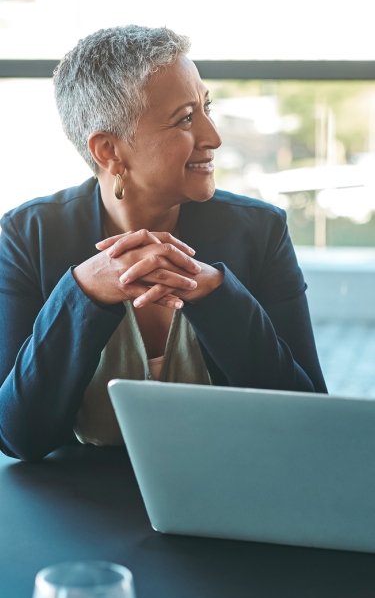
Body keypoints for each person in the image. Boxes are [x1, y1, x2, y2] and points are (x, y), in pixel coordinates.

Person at [0, 25, 327, 462]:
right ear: (109, 151)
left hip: (235, 490)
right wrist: (81, 294)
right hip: (80, 509)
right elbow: (18, 437)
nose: (213, 137)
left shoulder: (261, 231)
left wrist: (217, 296)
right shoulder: (27, 237)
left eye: (206, 108)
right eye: (186, 118)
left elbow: (311, 417)